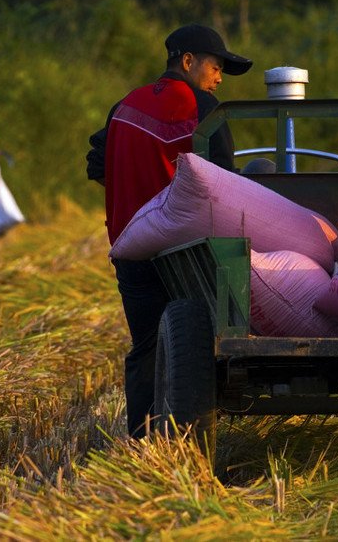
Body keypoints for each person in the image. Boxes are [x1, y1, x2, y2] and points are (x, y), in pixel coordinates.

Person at [86, 24, 252, 438]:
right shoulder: (203, 107)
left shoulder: (124, 105)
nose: (218, 78)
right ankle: (185, 441)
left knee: (147, 347)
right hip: (186, 250)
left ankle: (143, 445)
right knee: (194, 344)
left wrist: (134, 192)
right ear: (188, 61)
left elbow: (96, 164)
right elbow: (224, 181)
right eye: (216, 67)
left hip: (131, 247)